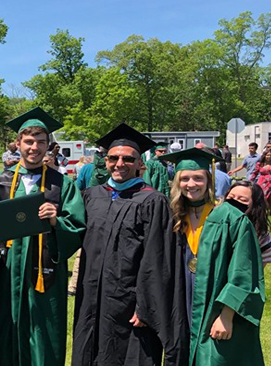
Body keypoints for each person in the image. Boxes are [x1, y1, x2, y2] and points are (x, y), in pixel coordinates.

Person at [0, 107, 86, 366]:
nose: (34, 147)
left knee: (45, 331)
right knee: (7, 328)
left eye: (40, 141)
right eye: (28, 141)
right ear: (17, 144)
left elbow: (77, 228)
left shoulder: (62, 184)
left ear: (49, 144)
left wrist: (55, 221)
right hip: (8, 271)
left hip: (44, 274)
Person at [73, 123, 186, 366]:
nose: (119, 164)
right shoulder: (92, 196)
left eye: (127, 158)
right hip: (91, 296)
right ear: (105, 161)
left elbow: (158, 259)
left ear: (139, 164)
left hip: (129, 302)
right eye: (113, 158)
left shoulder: (153, 201)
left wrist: (146, 307)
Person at [160, 148, 266, 366]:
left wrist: (227, 315)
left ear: (209, 180)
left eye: (198, 178)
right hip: (180, 305)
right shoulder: (171, 218)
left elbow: (244, 272)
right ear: (177, 182)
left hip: (214, 306)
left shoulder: (231, 218)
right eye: (185, 178)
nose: (192, 184)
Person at [224, 181, 271, 267]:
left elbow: (256, 272)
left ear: (255, 206)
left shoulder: (261, 237)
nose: (234, 202)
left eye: (242, 200)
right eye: (231, 197)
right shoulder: (211, 222)